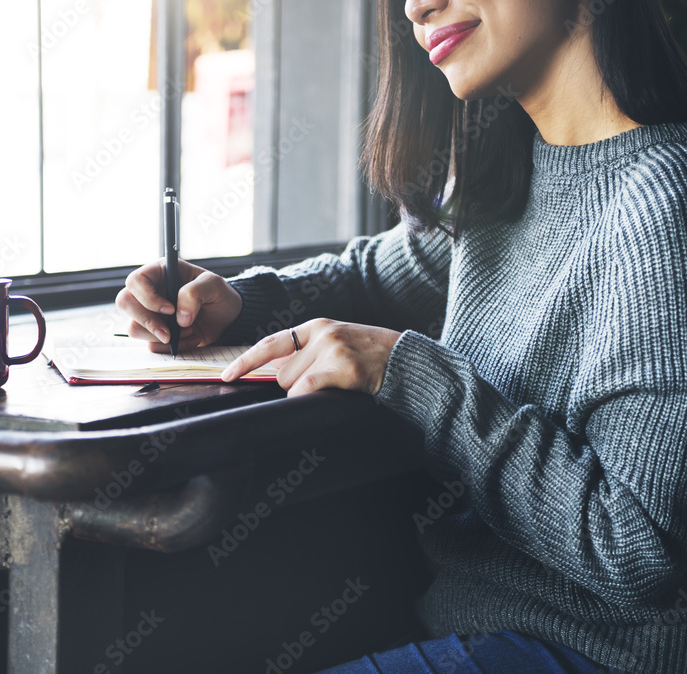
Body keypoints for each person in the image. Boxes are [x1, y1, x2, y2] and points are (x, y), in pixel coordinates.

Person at [116, 0, 687, 671]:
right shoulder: (508, 173)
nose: (418, 6)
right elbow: (375, 276)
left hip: (594, 655)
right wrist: (237, 302)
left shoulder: (661, 202)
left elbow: (637, 552)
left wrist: (409, 373)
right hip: (470, 627)